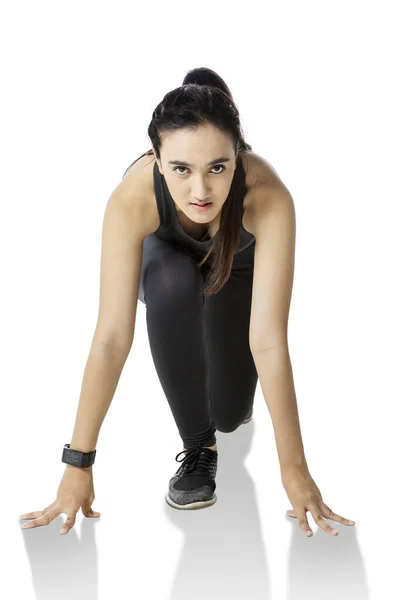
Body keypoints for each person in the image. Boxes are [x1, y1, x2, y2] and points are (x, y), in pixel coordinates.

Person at [20, 67, 355, 533]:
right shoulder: (132, 197)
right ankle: (199, 446)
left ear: (238, 157)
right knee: (174, 280)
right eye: (181, 169)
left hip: (235, 266)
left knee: (231, 415)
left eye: (217, 167)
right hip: (167, 268)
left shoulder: (268, 196)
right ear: (156, 159)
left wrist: (294, 471)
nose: (200, 191)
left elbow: (269, 340)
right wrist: (78, 463)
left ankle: (221, 420)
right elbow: (113, 337)